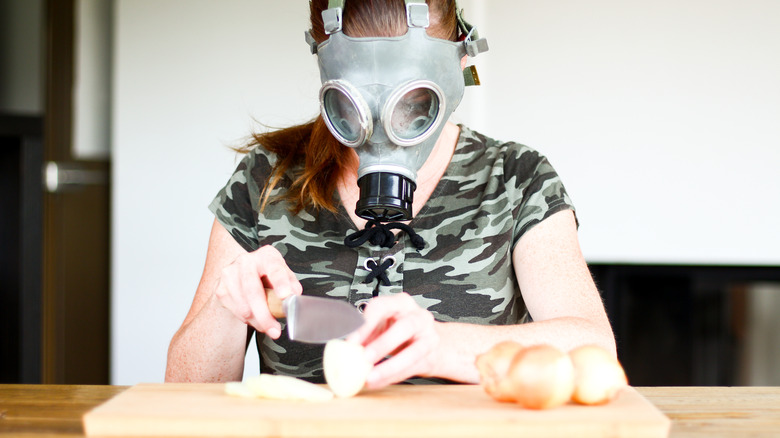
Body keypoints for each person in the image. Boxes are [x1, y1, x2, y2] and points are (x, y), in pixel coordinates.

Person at [165, 0, 616, 390]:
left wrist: (443, 346)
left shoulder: (516, 179)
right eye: (356, 103)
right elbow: (183, 393)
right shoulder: (266, 178)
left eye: (414, 103)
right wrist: (229, 305)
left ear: (461, 64)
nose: (384, 129)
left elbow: (593, 348)